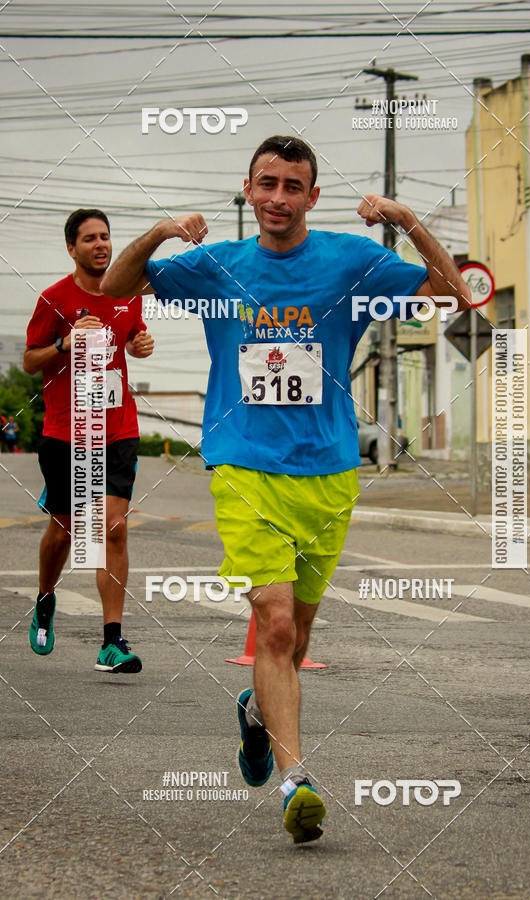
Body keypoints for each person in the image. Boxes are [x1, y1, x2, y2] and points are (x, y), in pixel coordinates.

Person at [101, 135, 471, 842]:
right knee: (272, 623)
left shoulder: (352, 261)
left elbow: (450, 292)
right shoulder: (216, 266)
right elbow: (116, 288)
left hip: (328, 471)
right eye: (266, 184)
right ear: (248, 190)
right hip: (243, 464)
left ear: (312, 197)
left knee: (296, 635)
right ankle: (297, 781)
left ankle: (257, 713)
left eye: (292, 186)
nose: (278, 198)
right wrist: (159, 232)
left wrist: (406, 221)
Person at [23, 208, 154, 673]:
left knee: (112, 528)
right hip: (66, 431)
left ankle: (111, 642)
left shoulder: (129, 293)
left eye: (105, 236)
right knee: (64, 530)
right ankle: (45, 598)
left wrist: (140, 343)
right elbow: (29, 361)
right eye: (90, 239)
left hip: (118, 428)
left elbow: (134, 335)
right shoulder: (55, 299)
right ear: (71, 248)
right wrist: (64, 344)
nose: (101, 245)